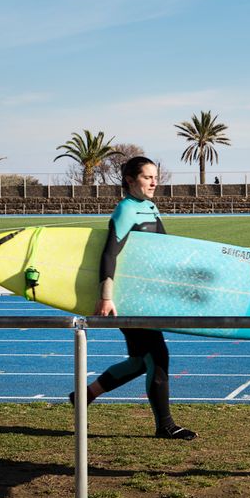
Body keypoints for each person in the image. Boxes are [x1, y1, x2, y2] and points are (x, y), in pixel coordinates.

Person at [69, 156, 196, 441]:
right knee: (158, 356)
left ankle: (84, 395)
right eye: (147, 177)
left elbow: (162, 248)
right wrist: (106, 297)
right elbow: (109, 253)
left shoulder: (149, 207)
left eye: (155, 177)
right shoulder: (125, 210)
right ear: (130, 180)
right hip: (129, 299)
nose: (154, 182)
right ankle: (165, 425)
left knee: (140, 361)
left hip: (148, 296)